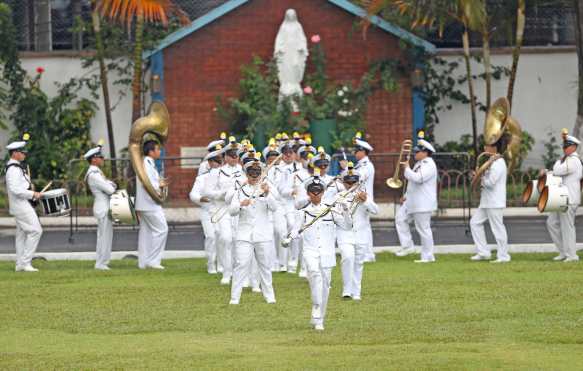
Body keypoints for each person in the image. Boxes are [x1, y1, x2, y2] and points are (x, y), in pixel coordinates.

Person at [286, 169, 351, 331]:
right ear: (308, 193)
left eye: (319, 191)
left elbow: (347, 226)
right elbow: (295, 230)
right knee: (314, 274)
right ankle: (316, 305)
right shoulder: (303, 212)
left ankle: (320, 318)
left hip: (327, 253)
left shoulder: (331, 209)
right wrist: (290, 237)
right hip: (310, 251)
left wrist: (346, 210)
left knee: (326, 286)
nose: (316, 195)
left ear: (322, 192)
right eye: (312, 192)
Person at [228, 154, 278, 305]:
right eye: (251, 173)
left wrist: (267, 193)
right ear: (246, 174)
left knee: (265, 266)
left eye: (257, 173)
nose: (254, 176)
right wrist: (240, 204)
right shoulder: (240, 189)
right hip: (244, 234)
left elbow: (274, 207)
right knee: (241, 264)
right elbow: (231, 211)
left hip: (263, 234)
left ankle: (269, 296)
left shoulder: (267, 187)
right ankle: (235, 298)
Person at [336, 162, 378, 299]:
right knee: (347, 258)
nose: (351, 185)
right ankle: (347, 290)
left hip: (361, 234)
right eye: (348, 183)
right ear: (343, 183)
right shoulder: (339, 197)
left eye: (353, 182)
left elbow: (376, 211)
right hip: (345, 233)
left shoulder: (364, 195)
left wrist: (366, 201)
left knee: (358, 263)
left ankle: (356, 292)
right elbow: (337, 217)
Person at [394, 132, 438, 263]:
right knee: (400, 219)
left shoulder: (428, 164)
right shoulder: (420, 163)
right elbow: (413, 184)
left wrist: (406, 169)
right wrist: (405, 196)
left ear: (425, 152)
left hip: (423, 203)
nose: (415, 153)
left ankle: (428, 256)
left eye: (418, 151)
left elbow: (418, 179)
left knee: (423, 229)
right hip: (413, 201)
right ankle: (408, 246)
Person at [5, 139, 43, 272]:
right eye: (22, 152)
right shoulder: (13, 169)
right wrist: (32, 194)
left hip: (21, 204)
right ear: (15, 153)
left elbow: (21, 186)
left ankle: (20, 264)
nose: (24, 154)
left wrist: (30, 189)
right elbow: (15, 189)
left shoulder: (17, 167)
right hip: (20, 205)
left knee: (21, 235)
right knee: (36, 231)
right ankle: (25, 262)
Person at [544, 129, 583, 262]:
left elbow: (558, 170)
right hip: (561, 198)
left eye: (567, 146)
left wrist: (554, 167)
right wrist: (551, 170)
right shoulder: (566, 159)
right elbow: (556, 171)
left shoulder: (574, 160)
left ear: (573, 147)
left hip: (569, 198)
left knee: (567, 227)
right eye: (564, 146)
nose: (564, 148)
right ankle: (563, 252)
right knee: (551, 223)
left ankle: (572, 255)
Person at [470, 141, 510, 263]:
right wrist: (478, 175)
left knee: (497, 228)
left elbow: (491, 182)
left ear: (494, 148)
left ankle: (503, 256)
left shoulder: (498, 163)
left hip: (495, 201)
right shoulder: (492, 162)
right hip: (487, 201)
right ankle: (483, 252)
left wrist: (479, 177)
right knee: (475, 223)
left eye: (487, 146)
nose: (484, 148)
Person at [190, 144, 224, 274]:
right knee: (211, 236)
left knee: (222, 237)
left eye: (219, 161)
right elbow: (193, 194)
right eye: (214, 161)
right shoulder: (202, 178)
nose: (217, 164)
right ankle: (211, 264)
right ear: (209, 163)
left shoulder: (225, 176)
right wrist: (200, 199)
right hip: (207, 211)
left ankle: (222, 265)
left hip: (221, 211)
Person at [135, 140, 168, 270]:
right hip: (150, 203)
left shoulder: (148, 163)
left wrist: (159, 183)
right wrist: (159, 185)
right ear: (151, 151)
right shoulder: (146, 163)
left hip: (145, 203)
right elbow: (147, 182)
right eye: (157, 149)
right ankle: (153, 261)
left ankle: (143, 262)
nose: (159, 151)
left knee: (146, 233)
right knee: (162, 229)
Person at [84, 145, 117, 270]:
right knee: (104, 236)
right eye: (100, 157)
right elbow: (110, 189)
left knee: (104, 236)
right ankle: (101, 263)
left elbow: (110, 185)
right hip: (102, 207)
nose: (103, 159)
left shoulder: (97, 172)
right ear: (93, 159)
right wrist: (111, 185)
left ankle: (102, 262)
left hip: (104, 206)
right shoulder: (94, 174)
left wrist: (110, 185)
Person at [352, 133, 376, 263]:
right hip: (361, 200)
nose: (355, 152)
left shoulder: (366, 165)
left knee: (364, 227)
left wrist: (346, 169)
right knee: (364, 227)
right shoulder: (360, 164)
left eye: (357, 150)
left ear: (363, 151)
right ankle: (368, 253)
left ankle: (368, 253)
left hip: (364, 200)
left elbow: (357, 178)